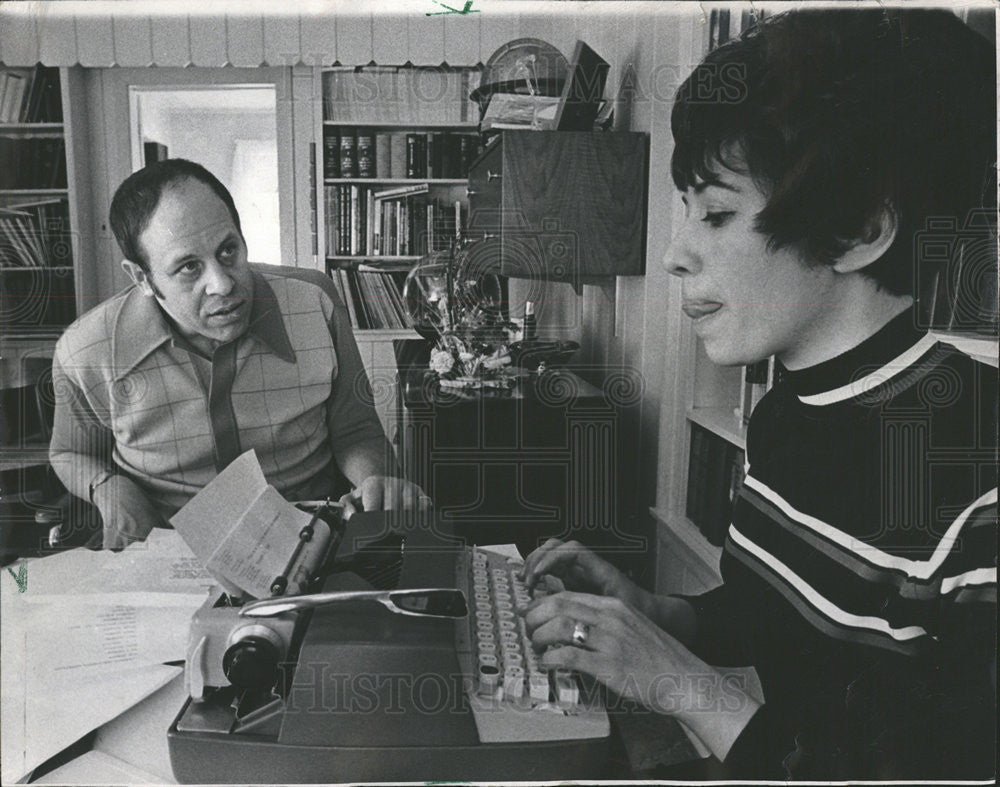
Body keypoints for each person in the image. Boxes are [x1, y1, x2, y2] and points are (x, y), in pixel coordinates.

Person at [518, 9, 996, 780]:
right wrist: (656, 611)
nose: (674, 254)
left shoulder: (979, 481)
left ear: (857, 231)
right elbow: (770, 623)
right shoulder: (785, 412)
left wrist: (673, 677)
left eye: (715, 212)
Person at [50, 159, 428, 549]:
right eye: (188, 267)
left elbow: (356, 431)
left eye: (228, 250)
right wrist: (106, 486)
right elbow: (69, 452)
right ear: (142, 278)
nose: (222, 283)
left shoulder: (315, 303)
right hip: (168, 549)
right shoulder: (86, 350)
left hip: (312, 538)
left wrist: (372, 482)